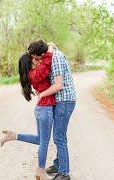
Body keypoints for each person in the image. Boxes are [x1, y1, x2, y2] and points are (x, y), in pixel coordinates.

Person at [0, 40, 55, 180]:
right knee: (44, 142)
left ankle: (13, 136)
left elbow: (44, 64)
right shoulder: (34, 74)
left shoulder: (32, 74)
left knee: (40, 140)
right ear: (29, 63)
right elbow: (47, 63)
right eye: (34, 59)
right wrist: (49, 49)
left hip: (42, 109)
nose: (37, 60)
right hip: (45, 110)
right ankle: (40, 171)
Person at [30, 40, 76, 180]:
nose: (36, 61)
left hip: (64, 100)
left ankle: (64, 173)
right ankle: (58, 164)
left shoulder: (55, 59)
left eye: (37, 58)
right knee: (60, 134)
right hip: (60, 100)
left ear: (42, 54)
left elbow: (58, 85)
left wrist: (42, 94)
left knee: (58, 137)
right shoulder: (51, 56)